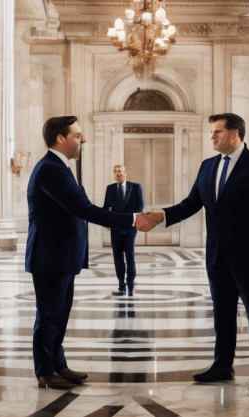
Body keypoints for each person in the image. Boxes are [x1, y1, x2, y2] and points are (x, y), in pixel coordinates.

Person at [25, 115, 160, 390]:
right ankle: (45, 372)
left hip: (61, 255)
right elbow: (84, 209)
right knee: (49, 316)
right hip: (50, 256)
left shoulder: (60, 167)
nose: (82, 139)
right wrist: (133, 219)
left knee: (59, 315)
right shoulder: (51, 169)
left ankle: (58, 365)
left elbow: (79, 206)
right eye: (77, 135)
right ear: (60, 138)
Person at [154, 113, 249, 393]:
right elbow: (190, 204)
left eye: (217, 132)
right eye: (212, 132)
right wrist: (161, 216)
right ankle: (222, 365)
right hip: (216, 255)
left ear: (234, 134)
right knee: (222, 314)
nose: (212, 136)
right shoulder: (208, 166)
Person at [102, 165, 144, 297]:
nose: (118, 173)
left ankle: (130, 284)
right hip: (115, 229)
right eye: (115, 172)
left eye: (120, 171)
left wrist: (133, 219)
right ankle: (121, 285)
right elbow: (105, 207)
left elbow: (140, 205)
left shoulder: (135, 187)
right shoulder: (110, 188)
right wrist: (107, 221)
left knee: (130, 256)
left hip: (130, 228)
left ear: (125, 173)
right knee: (118, 257)